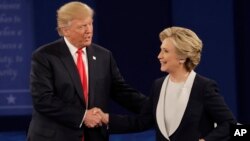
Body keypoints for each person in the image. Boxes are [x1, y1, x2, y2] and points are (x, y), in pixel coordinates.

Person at [27, 1, 147, 141]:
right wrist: (83, 116)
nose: (89, 30)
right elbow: (43, 99)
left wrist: (153, 106)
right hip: (55, 136)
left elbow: (120, 91)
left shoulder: (103, 56)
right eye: (82, 26)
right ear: (65, 30)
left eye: (90, 24)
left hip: (93, 136)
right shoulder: (45, 56)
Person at [100, 26, 237, 141]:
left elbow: (229, 124)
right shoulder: (158, 85)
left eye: (165, 51)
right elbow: (143, 121)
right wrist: (107, 119)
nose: (159, 56)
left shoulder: (204, 87)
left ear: (182, 57)